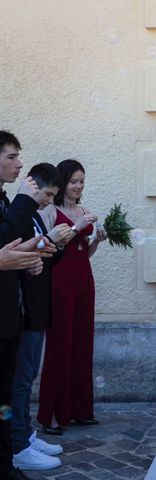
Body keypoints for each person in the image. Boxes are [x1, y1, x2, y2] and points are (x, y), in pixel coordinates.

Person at [37, 159, 107, 434]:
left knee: (82, 344)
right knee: (59, 346)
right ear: (63, 182)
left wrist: (97, 240)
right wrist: (79, 227)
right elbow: (51, 246)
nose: (78, 187)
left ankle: (80, 409)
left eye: (82, 182)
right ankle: (51, 415)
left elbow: (82, 251)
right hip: (59, 281)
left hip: (83, 279)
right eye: (74, 181)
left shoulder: (83, 209)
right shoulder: (51, 212)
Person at [11, 164, 72, 472]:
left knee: (27, 377)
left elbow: (42, 257)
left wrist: (56, 245)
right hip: (25, 313)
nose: (50, 201)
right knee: (20, 381)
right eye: (48, 194)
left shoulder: (33, 214)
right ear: (35, 186)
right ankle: (18, 444)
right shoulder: (21, 213)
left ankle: (25, 435)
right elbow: (16, 254)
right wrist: (47, 238)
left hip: (38, 309)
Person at [0, 130, 46, 480]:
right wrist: (22, 203)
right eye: (12, 157)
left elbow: (9, 247)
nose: (19, 164)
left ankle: (7, 462)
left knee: (5, 396)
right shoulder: (13, 202)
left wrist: (31, 255)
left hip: (10, 317)